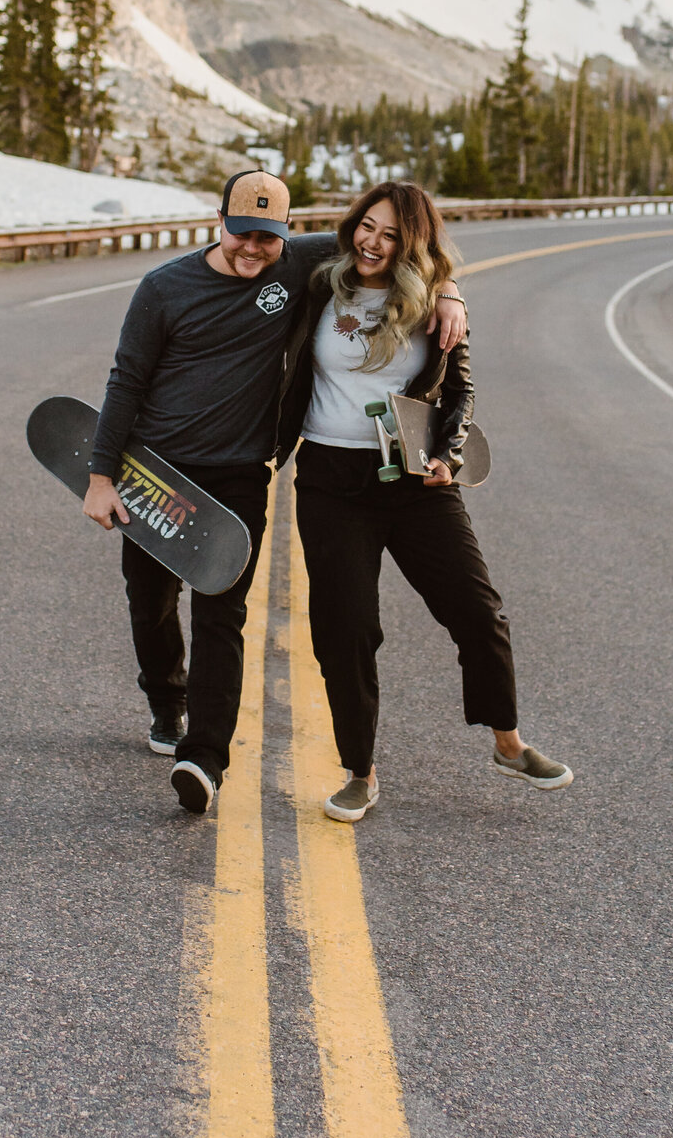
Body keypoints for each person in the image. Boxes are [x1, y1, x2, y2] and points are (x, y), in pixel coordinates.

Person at [83, 169, 467, 816]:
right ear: (220, 222)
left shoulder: (297, 264)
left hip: (237, 474)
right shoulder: (164, 288)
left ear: (283, 235)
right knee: (150, 600)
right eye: (242, 235)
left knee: (221, 612)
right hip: (156, 470)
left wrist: (450, 292)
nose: (253, 250)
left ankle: (203, 759)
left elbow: (397, 250)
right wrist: (100, 476)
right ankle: (165, 698)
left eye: (267, 238)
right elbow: (126, 381)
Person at [276, 180, 572, 822]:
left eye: (390, 235)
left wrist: (450, 455)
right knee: (346, 630)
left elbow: (461, 393)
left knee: (477, 611)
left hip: (412, 479)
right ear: (352, 223)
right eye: (366, 227)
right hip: (330, 479)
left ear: (412, 245)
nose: (371, 243)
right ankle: (360, 771)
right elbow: (260, 247)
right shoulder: (320, 280)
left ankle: (508, 743)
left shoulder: (434, 306)